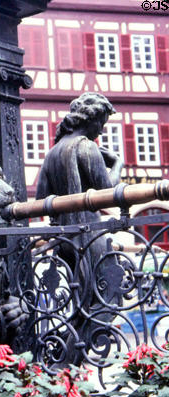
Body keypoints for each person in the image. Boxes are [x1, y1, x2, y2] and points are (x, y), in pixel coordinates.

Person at [35, 92, 124, 365]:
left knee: (78, 303)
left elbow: (41, 199)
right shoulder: (87, 148)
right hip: (90, 234)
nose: (102, 129)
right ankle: (71, 362)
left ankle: (65, 362)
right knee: (107, 299)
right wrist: (118, 163)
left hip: (63, 239)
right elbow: (109, 192)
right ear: (93, 119)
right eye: (103, 123)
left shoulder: (52, 153)